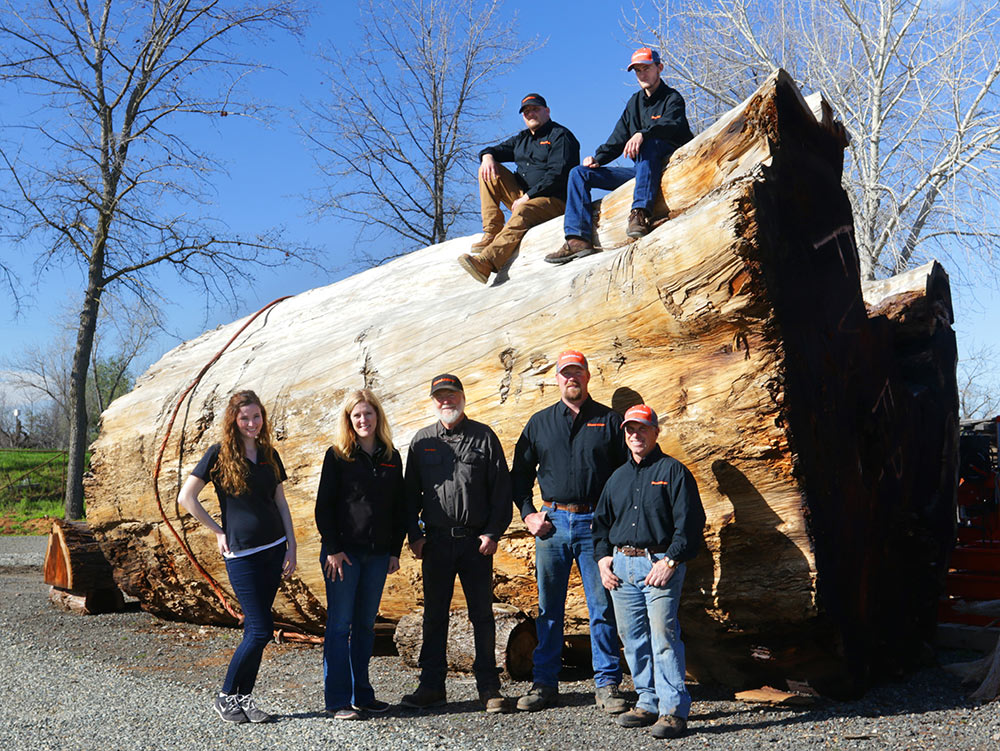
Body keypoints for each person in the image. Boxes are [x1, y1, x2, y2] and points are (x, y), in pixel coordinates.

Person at [510, 350, 628, 714]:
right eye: (565, 374)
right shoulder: (540, 423)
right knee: (549, 609)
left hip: (596, 526)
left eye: (577, 372)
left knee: (601, 607)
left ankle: (607, 685)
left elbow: (626, 477)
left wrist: (612, 524)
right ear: (557, 379)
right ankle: (544, 683)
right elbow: (518, 477)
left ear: (588, 377)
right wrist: (529, 514)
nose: (571, 379)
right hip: (553, 525)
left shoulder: (608, 421)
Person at [178, 390, 297, 725]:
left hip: (274, 550)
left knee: (254, 633)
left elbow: (281, 503)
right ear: (233, 420)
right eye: (244, 418)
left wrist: (292, 545)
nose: (251, 423)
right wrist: (218, 531)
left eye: (256, 417)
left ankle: (243, 700)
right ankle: (225, 696)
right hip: (241, 554)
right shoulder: (218, 454)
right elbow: (186, 498)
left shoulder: (269, 454)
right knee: (260, 630)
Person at [401, 373, 514, 713]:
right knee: (434, 616)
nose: (446, 401)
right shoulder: (422, 442)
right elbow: (409, 498)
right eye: (440, 396)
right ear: (433, 401)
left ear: (463, 398)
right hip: (436, 544)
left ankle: (489, 688)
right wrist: (415, 536)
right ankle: (432, 686)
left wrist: (493, 533)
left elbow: (502, 492)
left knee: (482, 616)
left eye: (452, 395)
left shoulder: (484, 437)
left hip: (475, 544)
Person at [592, 404, 705, 740]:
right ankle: (647, 700)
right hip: (622, 567)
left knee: (664, 635)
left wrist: (670, 561)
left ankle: (673, 710)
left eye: (642, 429)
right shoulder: (617, 478)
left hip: (659, 565)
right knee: (632, 638)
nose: (636, 435)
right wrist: (602, 560)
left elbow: (691, 524)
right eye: (630, 430)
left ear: (656, 432)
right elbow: (600, 525)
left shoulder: (674, 472)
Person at [546, 47, 693, 265]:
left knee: (649, 144)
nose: (642, 74)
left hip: (667, 166)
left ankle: (640, 214)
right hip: (641, 172)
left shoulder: (673, 98)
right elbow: (618, 138)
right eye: (638, 71)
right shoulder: (634, 103)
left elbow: (670, 126)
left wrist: (643, 134)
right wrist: (597, 159)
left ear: (659, 68)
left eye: (646, 68)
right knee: (579, 173)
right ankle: (577, 239)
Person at [314, 389, 406, 720]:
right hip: (343, 556)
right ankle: (337, 700)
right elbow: (323, 507)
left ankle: (362, 695)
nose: (364, 420)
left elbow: (400, 508)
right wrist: (333, 549)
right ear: (349, 421)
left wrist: (395, 550)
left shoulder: (392, 456)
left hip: (378, 555)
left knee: (366, 626)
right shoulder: (338, 456)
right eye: (357, 415)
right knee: (340, 626)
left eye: (368, 414)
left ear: (377, 417)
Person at [458, 93, 580, 284]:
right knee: (489, 169)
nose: (530, 114)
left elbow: (558, 174)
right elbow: (493, 150)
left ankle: (487, 262)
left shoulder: (561, 136)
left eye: (535, 109)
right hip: (524, 197)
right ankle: (492, 232)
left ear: (547, 111)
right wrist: (487, 157)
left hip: (555, 201)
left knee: (524, 209)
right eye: (526, 111)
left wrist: (529, 196)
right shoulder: (522, 139)